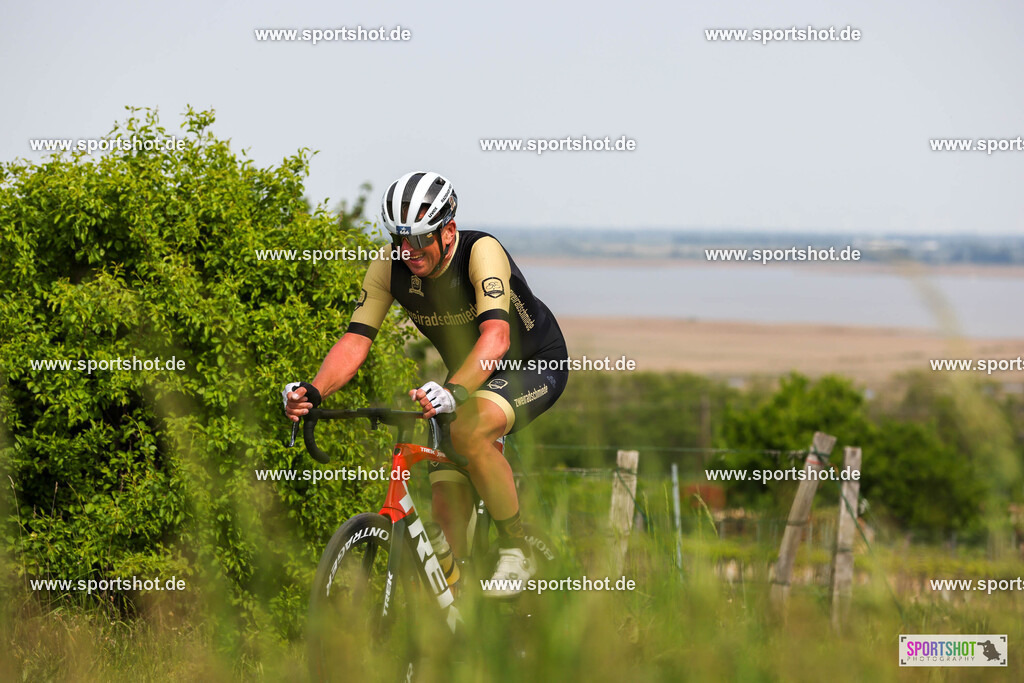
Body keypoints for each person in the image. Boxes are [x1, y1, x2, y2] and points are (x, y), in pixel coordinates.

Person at [283, 171, 568, 596]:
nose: (408, 251)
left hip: (531, 362)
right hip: (469, 376)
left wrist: (453, 391)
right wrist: (315, 390)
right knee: (446, 509)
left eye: (419, 240)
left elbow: (497, 339)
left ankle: (516, 547)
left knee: (468, 429)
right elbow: (356, 340)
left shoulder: (481, 251)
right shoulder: (390, 265)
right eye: (400, 240)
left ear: (448, 231)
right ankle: (459, 612)